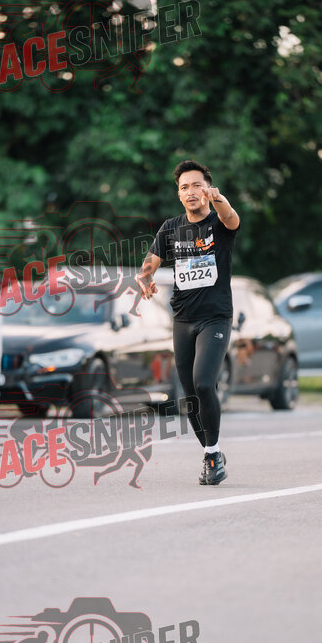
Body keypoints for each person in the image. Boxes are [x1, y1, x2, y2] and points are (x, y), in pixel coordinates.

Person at [137, 160, 240, 485]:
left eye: (197, 185)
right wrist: (145, 277)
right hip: (183, 319)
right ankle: (212, 453)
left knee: (205, 383)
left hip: (215, 318)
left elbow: (232, 218)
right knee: (191, 395)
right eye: (184, 187)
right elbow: (151, 262)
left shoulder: (218, 222)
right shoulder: (171, 228)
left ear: (207, 188)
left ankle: (212, 455)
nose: (191, 191)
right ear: (179, 195)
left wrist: (218, 199)